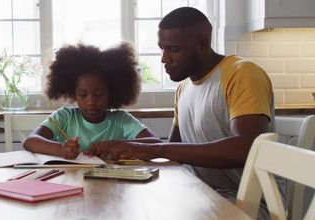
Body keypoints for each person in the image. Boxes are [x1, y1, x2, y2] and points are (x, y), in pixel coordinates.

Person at [110, 7, 275, 200]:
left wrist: (153, 149)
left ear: (203, 43)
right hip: (201, 196)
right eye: (162, 48)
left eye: (174, 49)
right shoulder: (183, 88)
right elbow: (174, 149)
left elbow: (247, 148)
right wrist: (126, 147)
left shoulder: (242, 73)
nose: (164, 59)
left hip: (248, 205)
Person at [23, 42, 161, 159]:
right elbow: (30, 142)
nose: (91, 101)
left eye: (99, 94)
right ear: (73, 93)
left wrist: (115, 145)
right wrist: (61, 149)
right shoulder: (64, 117)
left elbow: (156, 144)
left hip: (112, 184)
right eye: (83, 95)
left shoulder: (121, 120)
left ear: (112, 93)